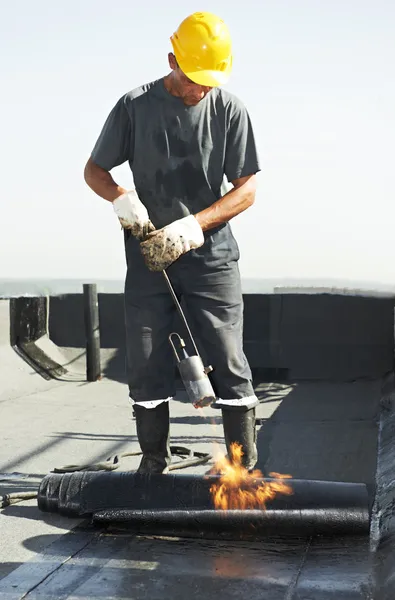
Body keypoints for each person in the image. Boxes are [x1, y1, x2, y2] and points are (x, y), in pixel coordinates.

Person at [84, 11, 261, 474]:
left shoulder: (229, 110)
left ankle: (242, 471)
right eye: (192, 80)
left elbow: (247, 189)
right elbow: (94, 171)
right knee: (144, 361)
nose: (200, 89)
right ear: (172, 60)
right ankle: (152, 465)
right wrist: (120, 196)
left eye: (208, 81)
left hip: (212, 258)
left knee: (227, 356)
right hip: (150, 260)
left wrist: (195, 226)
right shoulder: (134, 106)